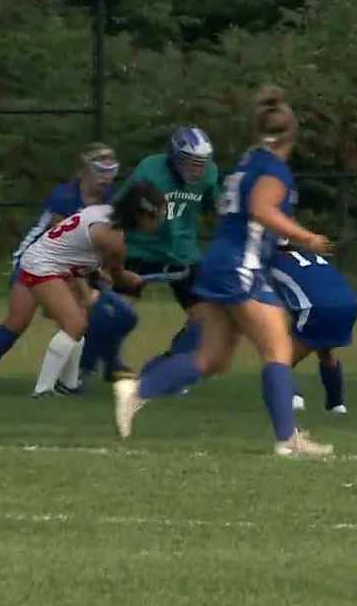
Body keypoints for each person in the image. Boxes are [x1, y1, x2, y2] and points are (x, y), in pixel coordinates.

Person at [113, 86, 335, 458]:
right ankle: (288, 438)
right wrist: (306, 237)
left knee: (212, 358)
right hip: (239, 266)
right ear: (292, 136)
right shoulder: (272, 169)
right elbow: (262, 209)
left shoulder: (249, 161)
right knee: (278, 345)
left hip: (220, 261)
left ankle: (138, 390)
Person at [0, 143, 120, 386]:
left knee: (81, 319)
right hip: (36, 258)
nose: (106, 177)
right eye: (99, 169)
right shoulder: (64, 197)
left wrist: (103, 272)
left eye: (112, 170)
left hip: (71, 264)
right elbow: (61, 248)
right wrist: (88, 285)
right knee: (18, 321)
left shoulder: (112, 201)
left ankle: (73, 380)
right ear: (83, 170)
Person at [91, 126, 219, 381]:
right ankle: (107, 363)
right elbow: (122, 208)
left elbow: (213, 205)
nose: (197, 168)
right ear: (174, 157)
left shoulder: (209, 175)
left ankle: (166, 368)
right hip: (142, 249)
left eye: (201, 163)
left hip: (183, 253)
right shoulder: (150, 170)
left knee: (207, 317)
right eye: (190, 161)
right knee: (117, 311)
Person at [17, 181, 164, 397]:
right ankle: (43, 389)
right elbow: (119, 277)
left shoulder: (104, 212)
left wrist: (98, 273)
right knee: (74, 324)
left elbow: (89, 257)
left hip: (58, 263)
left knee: (80, 322)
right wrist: (131, 279)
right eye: (156, 217)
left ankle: (68, 384)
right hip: (43, 265)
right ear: (141, 214)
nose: (159, 223)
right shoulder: (114, 239)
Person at [268, 241, 357, 414]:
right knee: (325, 349)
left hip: (316, 308)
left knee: (279, 357)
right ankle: (336, 404)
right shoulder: (311, 255)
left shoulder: (270, 262)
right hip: (349, 304)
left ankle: (294, 397)